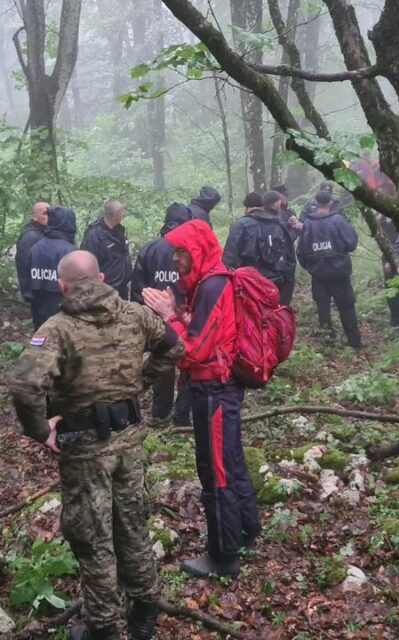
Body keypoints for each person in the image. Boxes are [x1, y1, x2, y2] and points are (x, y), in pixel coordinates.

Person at [9, 251, 183, 640]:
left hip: (85, 449)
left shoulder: (57, 328)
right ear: (102, 276)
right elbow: (173, 346)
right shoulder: (136, 314)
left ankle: (103, 624)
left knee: (92, 537)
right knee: (131, 523)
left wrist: (40, 431)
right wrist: (143, 379)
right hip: (129, 443)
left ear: (62, 285)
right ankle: (145, 605)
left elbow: (23, 385)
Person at [142, 220, 259, 579]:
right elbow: (203, 332)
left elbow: (191, 351)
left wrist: (166, 318)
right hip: (219, 389)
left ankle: (223, 557)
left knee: (217, 472)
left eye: (181, 252)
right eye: (175, 252)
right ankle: (246, 532)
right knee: (232, 462)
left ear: (197, 251)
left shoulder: (213, 286)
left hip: (215, 392)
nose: (175, 259)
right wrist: (177, 313)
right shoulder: (209, 282)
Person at [130, 203, 195, 426]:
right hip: (185, 320)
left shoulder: (150, 249)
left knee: (162, 364)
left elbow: (137, 288)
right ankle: (182, 416)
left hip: (155, 321)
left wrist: (142, 316)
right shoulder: (190, 250)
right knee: (188, 365)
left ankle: (160, 413)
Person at [298, 191, 362, 349]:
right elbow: (351, 242)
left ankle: (327, 342)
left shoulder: (307, 223)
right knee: (346, 306)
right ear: (331, 202)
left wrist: (312, 267)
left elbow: (301, 252)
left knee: (323, 308)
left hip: (318, 274)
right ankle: (354, 341)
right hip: (340, 273)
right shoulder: (338, 220)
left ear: (315, 202)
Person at [224, 190, 298, 305]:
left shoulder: (241, 225)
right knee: (274, 317)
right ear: (262, 206)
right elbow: (290, 259)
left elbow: (230, 259)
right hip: (276, 283)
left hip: (249, 285)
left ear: (246, 207)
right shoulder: (278, 224)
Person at [25, 206, 78, 328]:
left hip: (39, 310)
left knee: (42, 342)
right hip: (64, 313)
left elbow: (27, 276)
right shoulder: (70, 251)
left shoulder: (36, 247)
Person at [81, 199, 131, 295]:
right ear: (115, 215)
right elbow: (87, 263)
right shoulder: (94, 235)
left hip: (121, 289)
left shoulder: (120, 231)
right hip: (104, 290)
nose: (123, 215)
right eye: (121, 212)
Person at [15, 202, 50, 310]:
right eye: (45, 214)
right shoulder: (30, 237)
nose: (49, 217)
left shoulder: (44, 233)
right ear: (35, 217)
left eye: (50, 213)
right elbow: (27, 266)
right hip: (37, 292)